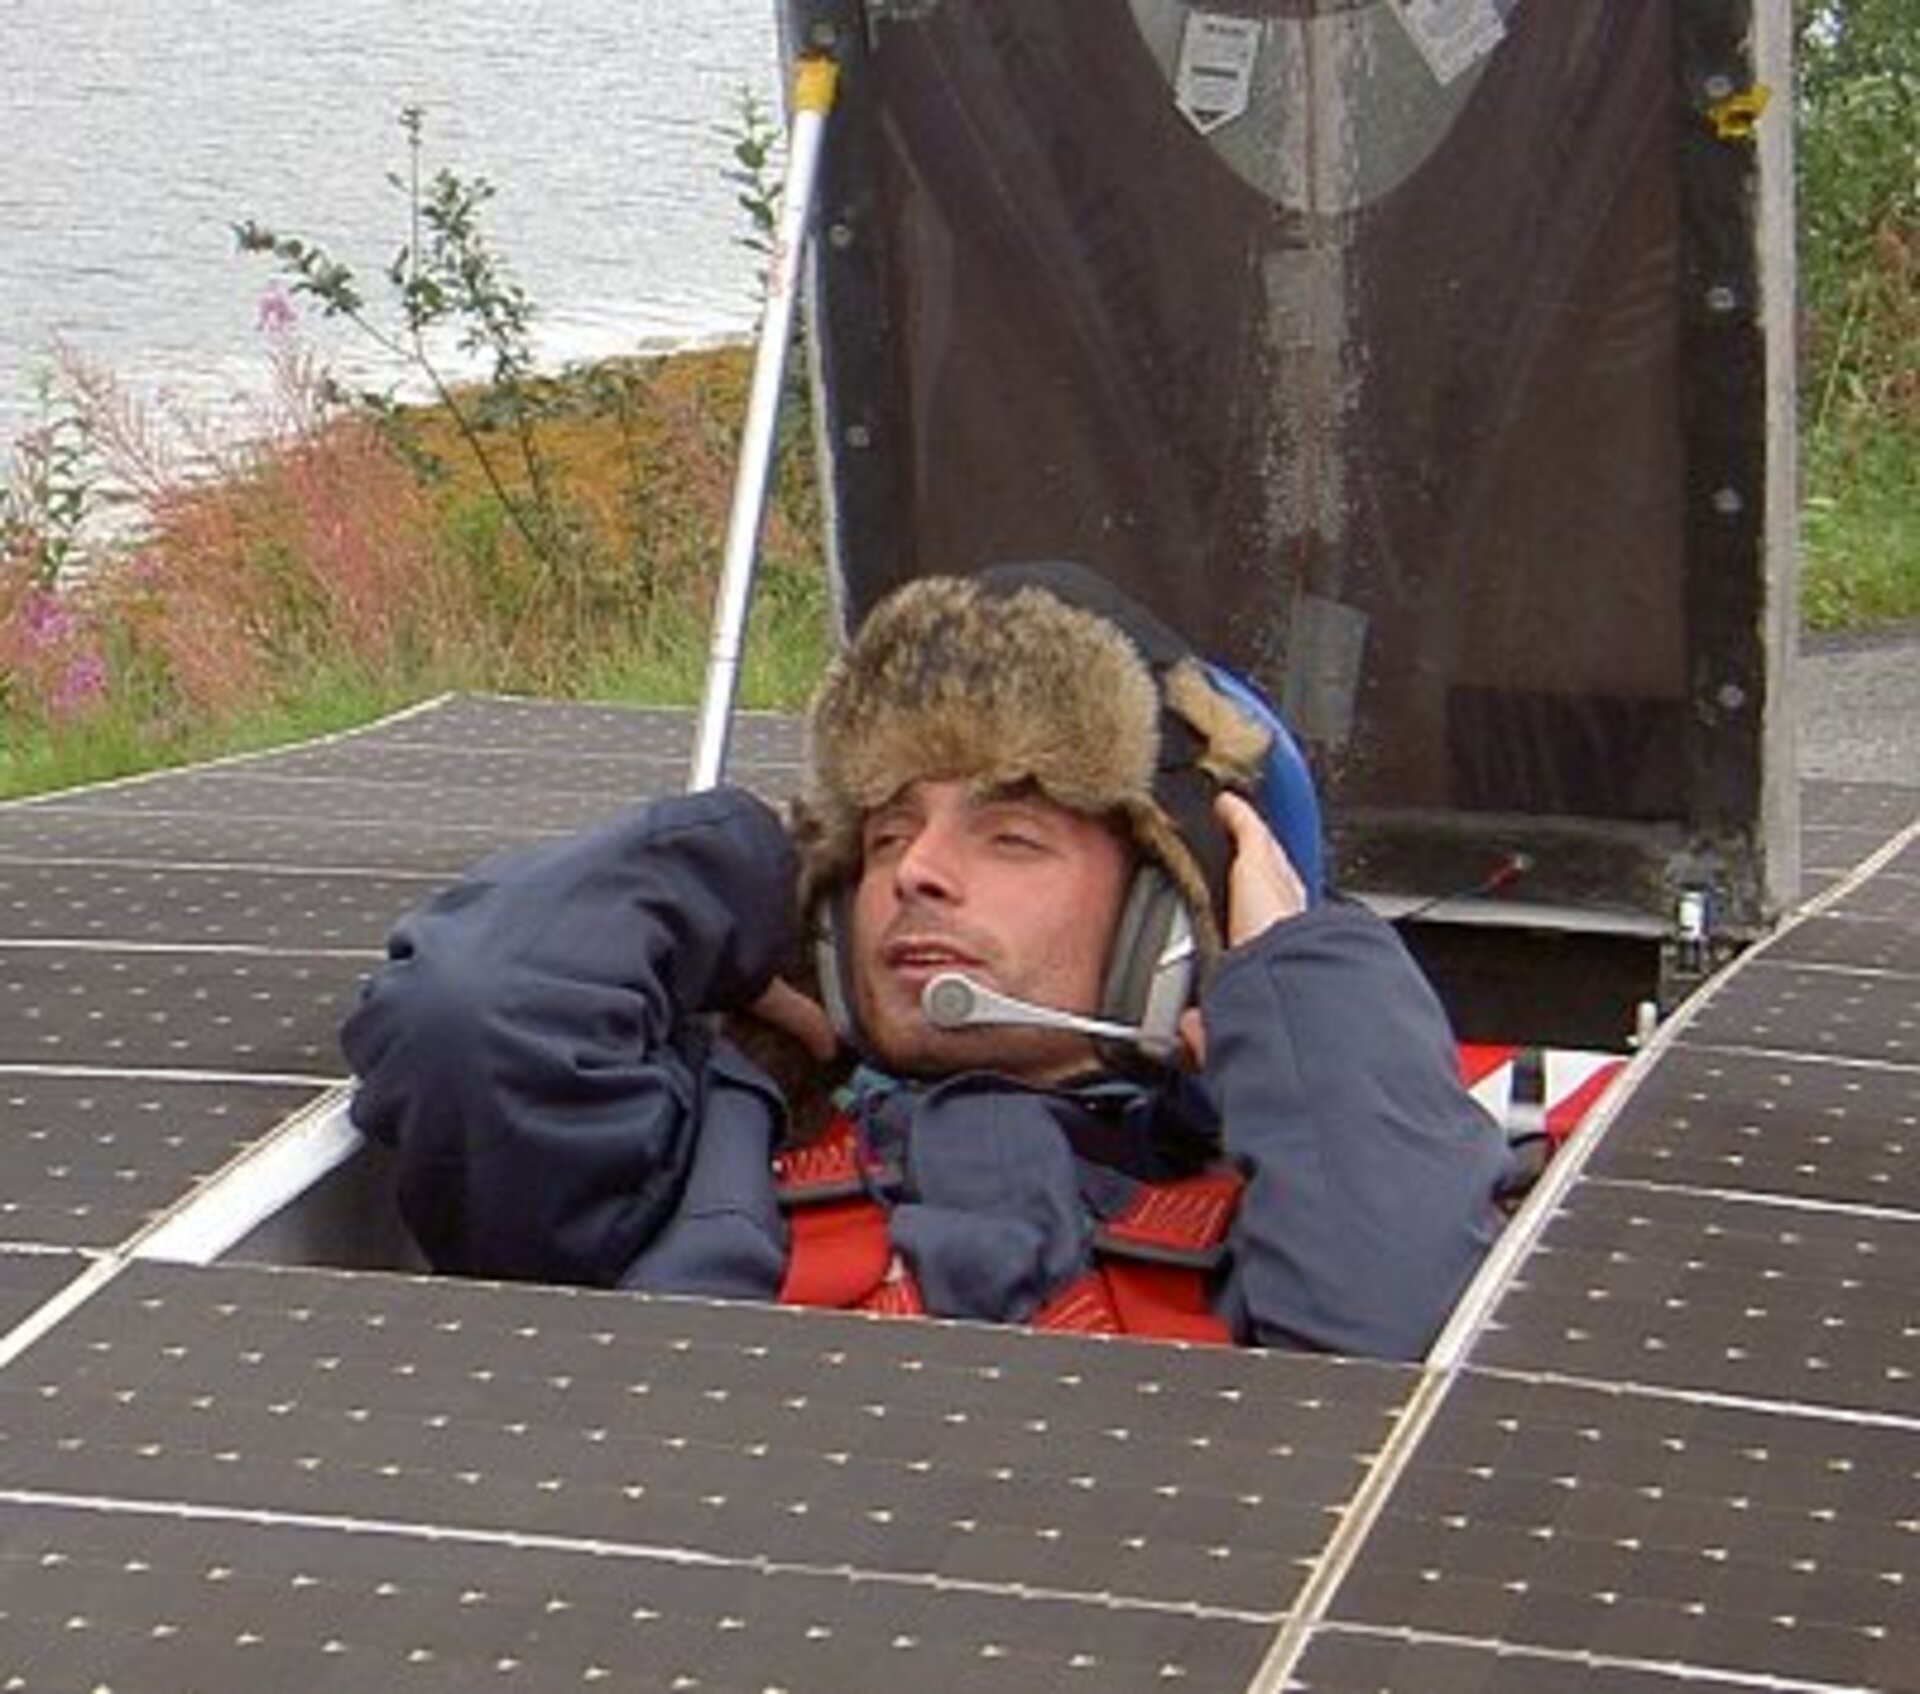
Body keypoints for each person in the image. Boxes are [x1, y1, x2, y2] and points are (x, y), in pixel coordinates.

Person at [341, 566, 1514, 1360]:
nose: (918, 874)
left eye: (1012, 835)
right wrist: (742, 866)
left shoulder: (1281, 1201)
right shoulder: (700, 1151)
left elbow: (1385, 1353)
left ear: (1165, 927)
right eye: (887, 834)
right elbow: (471, 1013)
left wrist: (1295, 971)